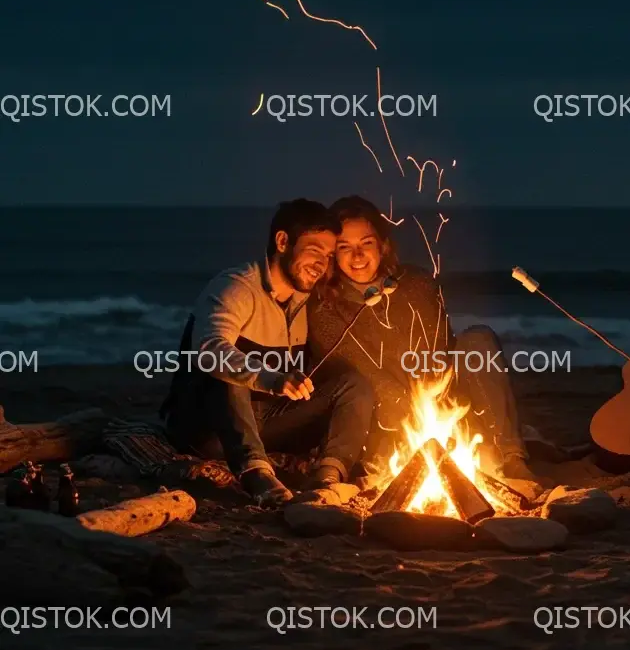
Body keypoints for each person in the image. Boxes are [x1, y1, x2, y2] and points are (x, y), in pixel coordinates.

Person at [307, 195, 545, 502]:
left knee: (477, 340)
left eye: (366, 243)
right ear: (332, 254)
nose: (357, 255)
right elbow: (357, 374)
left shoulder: (416, 281)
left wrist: (441, 406)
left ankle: (512, 458)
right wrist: (419, 422)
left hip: (442, 406)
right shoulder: (324, 307)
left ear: (382, 244)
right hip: (385, 424)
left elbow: (440, 352)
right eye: (344, 247)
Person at [160, 199, 375, 507]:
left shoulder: (306, 301)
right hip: (209, 430)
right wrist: (270, 378)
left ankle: (327, 479)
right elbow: (209, 350)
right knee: (226, 365)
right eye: (315, 250)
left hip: (267, 423)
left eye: (328, 256)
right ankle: (257, 476)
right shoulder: (235, 287)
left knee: (354, 386)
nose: (322, 264)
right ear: (283, 241)